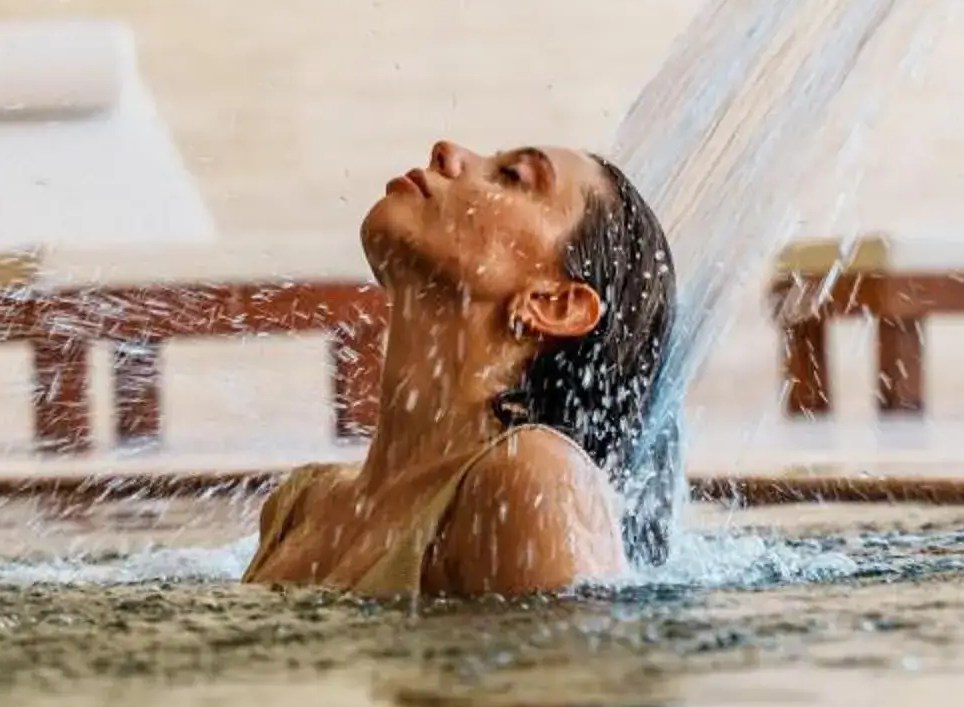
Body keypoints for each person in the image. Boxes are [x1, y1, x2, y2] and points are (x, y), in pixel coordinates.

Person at [246, 141, 677, 594]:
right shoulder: (302, 506)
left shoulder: (533, 478)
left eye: (512, 176)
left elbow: (588, 662)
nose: (447, 151)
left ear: (554, 304)